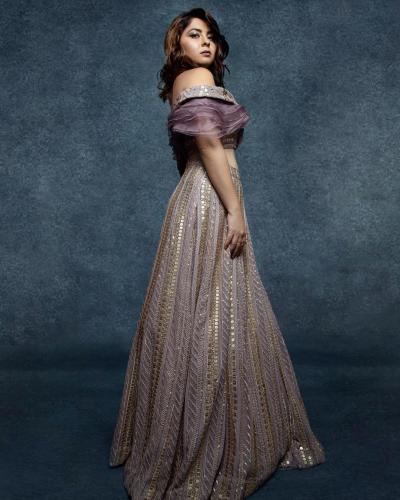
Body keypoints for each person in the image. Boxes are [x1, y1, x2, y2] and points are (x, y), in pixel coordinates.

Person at [109, 7, 326, 499]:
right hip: (211, 201)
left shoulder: (181, 84)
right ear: (178, 45)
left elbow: (189, 152)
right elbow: (208, 144)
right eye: (194, 35)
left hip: (194, 198)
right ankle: (209, 439)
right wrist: (234, 209)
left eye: (210, 35)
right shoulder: (198, 78)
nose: (205, 42)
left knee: (197, 310)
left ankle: (183, 428)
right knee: (213, 313)